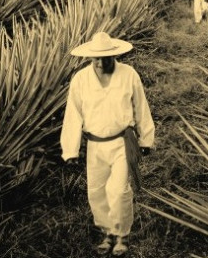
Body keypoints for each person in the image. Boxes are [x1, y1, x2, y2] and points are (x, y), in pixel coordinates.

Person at [61, 32, 155, 256]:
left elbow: (141, 107)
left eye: (106, 59)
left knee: (119, 191)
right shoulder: (81, 80)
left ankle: (122, 235)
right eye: (97, 59)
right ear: (90, 57)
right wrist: (71, 149)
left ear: (114, 55)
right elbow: (73, 114)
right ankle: (107, 232)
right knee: (97, 191)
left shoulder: (128, 74)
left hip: (122, 142)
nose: (101, 63)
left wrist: (146, 138)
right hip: (95, 146)